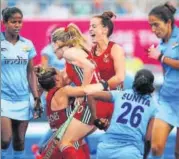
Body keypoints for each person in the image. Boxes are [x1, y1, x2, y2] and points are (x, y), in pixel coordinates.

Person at [36, 67, 107, 159]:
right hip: (67, 145)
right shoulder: (63, 91)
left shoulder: (49, 97)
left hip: (57, 143)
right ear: (57, 78)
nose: (64, 74)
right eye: (60, 73)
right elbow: (85, 90)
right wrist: (104, 84)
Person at [1, 7, 42, 159]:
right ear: (4, 23)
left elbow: (30, 72)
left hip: (23, 98)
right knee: (5, 140)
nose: (17, 25)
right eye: (13, 22)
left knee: (19, 142)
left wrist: (36, 97)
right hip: (3, 98)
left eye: (20, 22)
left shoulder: (27, 44)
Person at [88, 69, 158, 159]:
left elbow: (91, 95)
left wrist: (95, 120)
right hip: (130, 153)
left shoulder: (120, 94)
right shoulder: (153, 107)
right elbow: (148, 138)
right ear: (151, 86)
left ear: (135, 82)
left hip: (105, 150)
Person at [147, 2, 179, 159]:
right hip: (167, 101)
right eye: (150, 25)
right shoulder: (160, 45)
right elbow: (167, 72)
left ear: (168, 22)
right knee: (156, 147)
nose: (153, 30)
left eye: (156, 25)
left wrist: (160, 57)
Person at [89, 11, 126, 122]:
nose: (90, 29)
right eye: (90, 26)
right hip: (97, 98)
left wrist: (102, 86)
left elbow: (120, 78)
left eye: (94, 26)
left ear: (105, 30)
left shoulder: (115, 49)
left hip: (114, 98)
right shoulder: (91, 50)